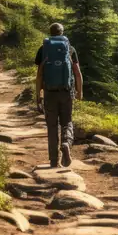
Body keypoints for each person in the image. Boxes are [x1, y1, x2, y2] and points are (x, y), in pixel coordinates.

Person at [34, 22, 83, 168]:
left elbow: (40, 74)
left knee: (52, 125)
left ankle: (54, 161)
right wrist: (80, 91)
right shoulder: (70, 49)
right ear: (62, 33)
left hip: (50, 92)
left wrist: (38, 95)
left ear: (50, 32)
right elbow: (77, 73)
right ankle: (66, 143)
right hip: (66, 91)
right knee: (67, 121)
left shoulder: (44, 49)